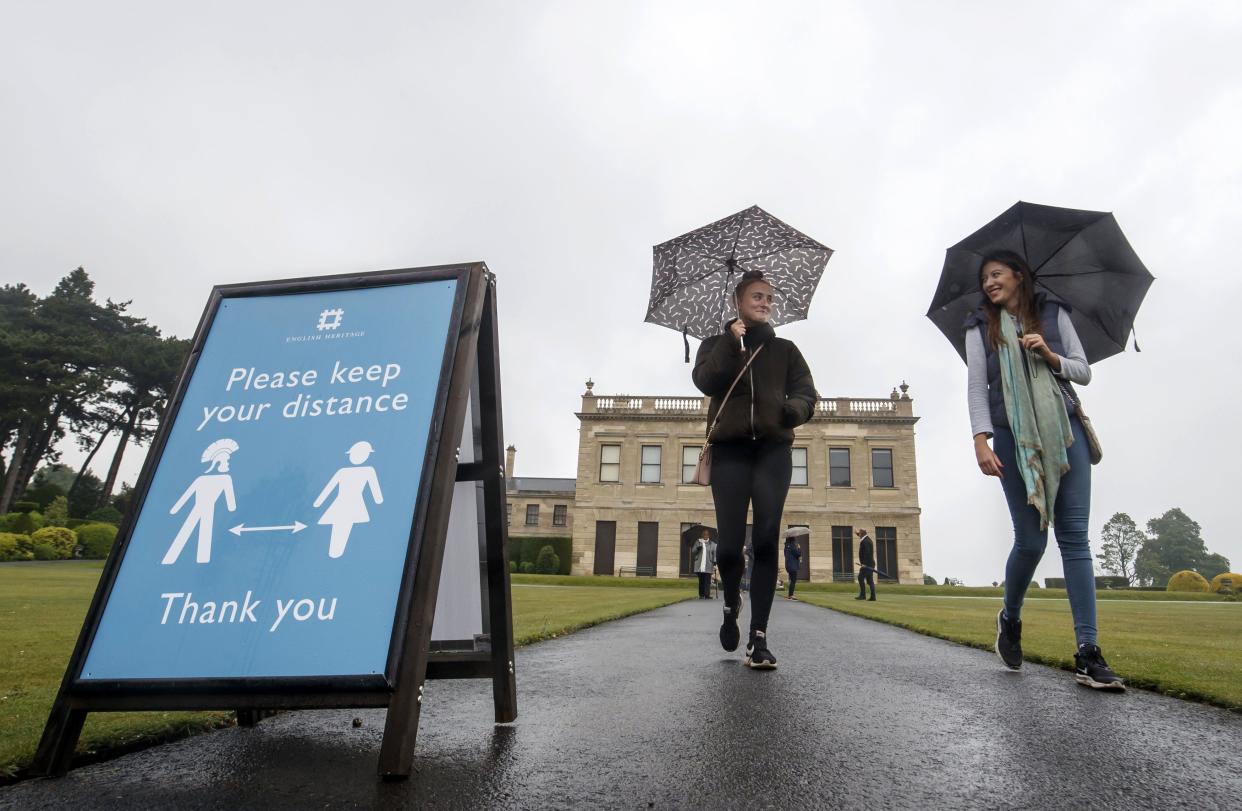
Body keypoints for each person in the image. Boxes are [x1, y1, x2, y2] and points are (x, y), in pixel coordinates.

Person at [965, 249, 1124, 691]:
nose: (989, 283)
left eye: (996, 274)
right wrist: (980, 438)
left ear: (1019, 276)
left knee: (1074, 537)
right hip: (1011, 434)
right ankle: (1010, 617)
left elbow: (1083, 371)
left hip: (1063, 430)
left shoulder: (1053, 314)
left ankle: (1088, 652)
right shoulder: (980, 326)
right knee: (1031, 541)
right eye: (985, 279)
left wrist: (1050, 354)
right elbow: (977, 387)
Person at [693, 269, 817, 670]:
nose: (764, 302)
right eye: (756, 296)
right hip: (730, 453)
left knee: (765, 542)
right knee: (729, 548)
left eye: (768, 297)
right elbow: (705, 381)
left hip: (772, 452)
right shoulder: (715, 345)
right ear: (737, 302)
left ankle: (758, 637)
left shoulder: (785, 350)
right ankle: (730, 605)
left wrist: (792, 410)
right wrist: (732, 342)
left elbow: (807, 393)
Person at [313, 440, 384, 559]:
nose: (356, 457)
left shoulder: (368, 470)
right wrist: (318, 502)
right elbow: (330, 487)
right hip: (342, 504)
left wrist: (378, 500)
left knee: (344, 527)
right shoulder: (343, 471)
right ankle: (334, 552)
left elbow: (375, 489)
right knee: (338, 526)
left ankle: (337, 552)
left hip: (353, 504)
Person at [690, 530, 717, 599]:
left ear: (709, 535)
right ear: (702, 535)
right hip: (699, 565)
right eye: (704, 534)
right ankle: (701, 595)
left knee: (707, 580)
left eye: (707, 534)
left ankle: (707, 595)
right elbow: (693, 551)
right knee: (701, 580)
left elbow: (715, 554)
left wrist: (714, 562)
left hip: (708, 564)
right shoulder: (698, 542)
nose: (705, 536)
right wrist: (697, 549)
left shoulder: (713, 544)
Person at [855, 528, 876, 601]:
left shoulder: (866, 541)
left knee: (860, 577)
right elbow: (861, 535)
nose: (858, 534)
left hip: (867, 564)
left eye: (859, 533)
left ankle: (863, 595)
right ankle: (873, 597)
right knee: (870, 580)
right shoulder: (866, 539)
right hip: (869, 564)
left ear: (862, 534)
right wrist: (856, 533)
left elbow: (867, 553)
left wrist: (864, 564)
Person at [783, 534, 802, 600]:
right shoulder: (792, 546)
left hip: (788, 565)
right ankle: (791, 595)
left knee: (791, 580)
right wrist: (799, 548)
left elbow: (786, 555)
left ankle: (789, 595)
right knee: (793, 580)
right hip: (793, 566)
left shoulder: (786, 546)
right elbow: (798, 554)